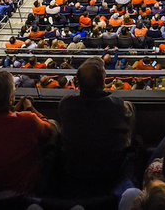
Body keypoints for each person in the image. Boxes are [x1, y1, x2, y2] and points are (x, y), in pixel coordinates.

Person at [0, 70, 58, 195]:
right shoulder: (29, 120)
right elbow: (50, 131)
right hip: (19, 191)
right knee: (53, 124)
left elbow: (0, 121)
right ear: (11, 99)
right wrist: (30, 108)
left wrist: (14, 109)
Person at [58, 57, 135, 195]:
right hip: (110, 173)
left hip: (75, 171)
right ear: (103, 82)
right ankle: (128, 144)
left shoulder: (66, 103)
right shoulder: (117, 105)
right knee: (129, 107)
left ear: (78, 83)